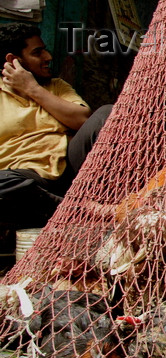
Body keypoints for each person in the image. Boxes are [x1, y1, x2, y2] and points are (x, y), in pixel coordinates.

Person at [1, 23, 112, 230]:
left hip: (71, 170)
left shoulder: (56, 86)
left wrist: (32, 88)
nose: (48, 57)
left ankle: (96, 201)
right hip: (26, 182)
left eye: (44, 49)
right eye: (38, 52)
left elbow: (82, 120)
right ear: (13, 61)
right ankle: (76, 211)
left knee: (106, 114)